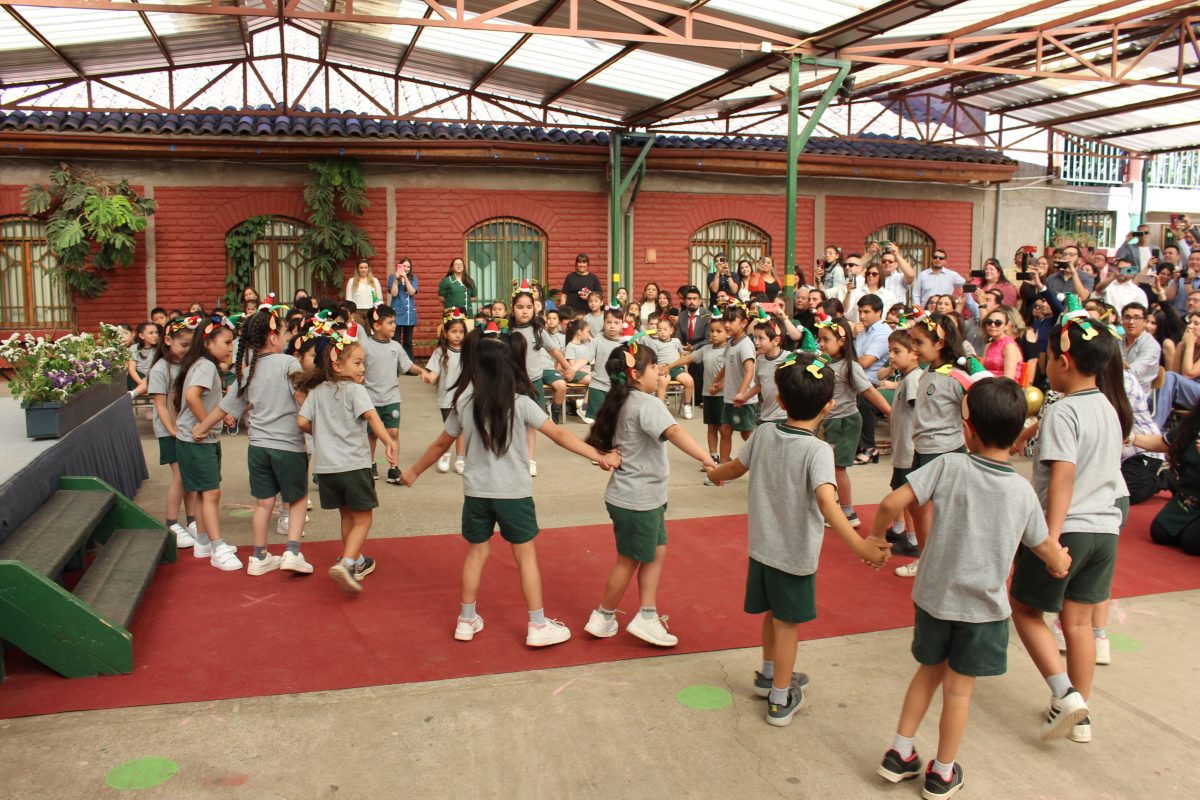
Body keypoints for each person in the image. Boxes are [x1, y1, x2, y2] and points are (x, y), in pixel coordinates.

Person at [872, 378, 1070, 796]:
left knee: (927, 674)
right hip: (981, 610)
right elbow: (1045, 548)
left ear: (967, 427)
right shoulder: (1020, 490)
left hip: (933, 599)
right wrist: (1060, 562)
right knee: (959, 692)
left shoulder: (947, 465)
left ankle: (899, 752)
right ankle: (942, 772)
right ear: (1019, 434)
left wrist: (875, 540)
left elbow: (892, 503)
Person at [706, 350, 890, 726]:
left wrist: (714, 473)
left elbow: (736, 467)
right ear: (828, 406)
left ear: (781, 399)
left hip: (762, 548)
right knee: (788, 624)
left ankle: (770, 673)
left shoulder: (765, 432)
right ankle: (779, 697)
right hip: (793, 554)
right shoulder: (818, 450)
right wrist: (860, 546)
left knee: (773, 614)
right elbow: (827, 502)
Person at [401, 332, 619, 646]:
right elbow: (559, 435)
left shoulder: (464, 401)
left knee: (476, 555)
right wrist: (599, 455)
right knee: (526, 558)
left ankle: (465, 619)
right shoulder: (521, 404)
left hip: (477, 494)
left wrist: (414, 471)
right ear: (509, 367)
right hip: (514, 495)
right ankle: (537, 625)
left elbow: (440, 443)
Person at [1009, 297, 1131, 745]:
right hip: (1104, 530)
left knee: (1024, 608)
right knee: (1078, 623)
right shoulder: (1109, 407)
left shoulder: (1063, 410)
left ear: (1062, 361)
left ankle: (1064, 695)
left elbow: (1063, 475)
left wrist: (1051, 540)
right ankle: (1082, 718)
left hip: (1069, 529)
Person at [582, 339, 716, 647]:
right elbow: (675, 432)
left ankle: (646, 613)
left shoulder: (622, 401)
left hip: (639, 497)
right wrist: (707, 459)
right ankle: (603, 616)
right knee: (628, 560)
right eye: (654, 366)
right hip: (637, 499)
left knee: (656, 551)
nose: (660, 370)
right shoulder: (647, 405)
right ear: (636, 375)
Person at [192, 308, 312, 576]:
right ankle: (292, 552)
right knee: (297, 499)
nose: (285, 338)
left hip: (258, 447)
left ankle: (259, 557)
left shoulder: (247, 371)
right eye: (283, 333)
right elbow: (302, 400)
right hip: (288, 446)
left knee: (263, 503)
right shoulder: (288, 364)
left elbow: (224, 407)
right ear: (273, 336)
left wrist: (201, 427)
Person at [295, 331, 394, 594]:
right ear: (338, 365)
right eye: (358, 363)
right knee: (364, 519)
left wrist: (321, 432)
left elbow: (302, 422)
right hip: (353, 465)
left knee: (347, 515)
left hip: (327, 469)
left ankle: (357, 560)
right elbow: (372, 417)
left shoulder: (317, 391)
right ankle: (348, 562)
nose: (363, 367)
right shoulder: (355, 390)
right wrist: (389, 442)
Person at [899, 310, 970, 579]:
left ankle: (945, 563)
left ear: (940, 343)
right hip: (923, 449)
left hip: (945, 452)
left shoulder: (955, 377)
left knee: (945, 512)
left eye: (919, 343)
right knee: (916, 505)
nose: (914, 349)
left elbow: (975, 406)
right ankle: (927, 556)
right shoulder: (926, 373)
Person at [172, 316, 241, 571]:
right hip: (196, 440)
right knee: (211, 492)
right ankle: (217, 546)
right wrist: (205, 424)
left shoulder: (206, 365)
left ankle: (203, 541)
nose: (231, 348)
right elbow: (191, 396)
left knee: (205, 491)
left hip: (200, 439)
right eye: (227, 342)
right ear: (209, 343)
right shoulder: (205, 366)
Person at [814, 315, 891, 527]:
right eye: (819, 339)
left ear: (842, 341)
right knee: (825, 468)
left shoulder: (850, 367)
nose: (821, 344)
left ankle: (848, 513)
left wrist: (890, 412)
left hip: (845, 421)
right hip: (827, 421)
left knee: (838, 468)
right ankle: (830, 506)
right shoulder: (822, 362)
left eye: (826, 339)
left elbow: (868, 391)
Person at [358, 305, 431, 484]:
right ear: (376, 325)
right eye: (390, 323)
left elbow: (407, 365)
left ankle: (393, 468)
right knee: (372, 434)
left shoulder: (396, 346)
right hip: (370, 399)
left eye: (394, 322)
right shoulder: (365, 345)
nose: (394, 326)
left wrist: (421, 371)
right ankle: (371, 463)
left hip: (391, 397)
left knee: (393, 432)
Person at [510, 281, 573, 474]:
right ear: (512, 308)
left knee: (531, 423)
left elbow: (553, 350)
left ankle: (530, 460)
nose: (525, 311)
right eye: (520, 307)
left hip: (533, 382)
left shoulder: (538, 331)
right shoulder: (507, 332)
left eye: (529, 307)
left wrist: (567, 366)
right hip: (512, 384)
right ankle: (511, 458)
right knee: (511, 422)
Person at [148, 318, 198, 549]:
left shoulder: (187, 366)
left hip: (185, 429)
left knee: (189, 476)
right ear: (167, 341)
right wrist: (172, 430)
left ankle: (192, 520)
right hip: (170, 431)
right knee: (180, 475)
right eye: (184, 345)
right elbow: (160, 404)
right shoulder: (160, 369)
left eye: (191, 345)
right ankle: (171, 522)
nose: (188, 350)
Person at [1134, 396, 1200, 556]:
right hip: (1189, 498)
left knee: (1192, 542)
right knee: (1160, 532)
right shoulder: (1197, 419)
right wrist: (1131, 438)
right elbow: (1165, 442)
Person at [878, 327, 921, 557]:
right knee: (898, 486)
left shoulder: (914, 380)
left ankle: (913, 540)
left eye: (897, 351)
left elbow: (918, 412)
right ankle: (899, 528)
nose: (891, 356)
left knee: (907, 496)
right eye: (890, 351)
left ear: (914, 353)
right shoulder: (906, 378)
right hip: (902, 446)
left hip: (909, 448)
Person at [667, 317, 728, 463]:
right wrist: (668, 366)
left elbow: (733, 373)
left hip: (723, 396)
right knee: (711, 427)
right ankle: (713, 456)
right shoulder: (705, 349)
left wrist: (720, 386)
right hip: (708, 394)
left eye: (719, 331)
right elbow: (687, 359)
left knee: (724, 430)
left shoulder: (729, 350)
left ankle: (725, 458)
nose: (714, 334)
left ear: (728, 332)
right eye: (712, 331)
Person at [421, 308, 468, 474]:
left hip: (465, 397)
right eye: (454, 331)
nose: (457, 335)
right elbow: (433, 373)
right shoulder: (440, 351)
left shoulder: (468, 351)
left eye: (461, 332)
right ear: (445, 333)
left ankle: (460, 459)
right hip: (446, 398)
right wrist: (429, 377)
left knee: (462, 428)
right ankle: (446, 453)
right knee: (450, 429)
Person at [711, 305, 757, 463]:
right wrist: (717, 383)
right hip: (729, 398)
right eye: (725, 321)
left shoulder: (745, 345)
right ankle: (724, 465)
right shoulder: (731, 344)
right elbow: (727, 367)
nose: (727, 325)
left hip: (743, 400)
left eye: (732, 321)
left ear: (744, 323)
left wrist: (741, 394)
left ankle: (762, 460)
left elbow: (750, 371)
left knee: (746, 434)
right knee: (725, 430)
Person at [853, 295, 891, 464]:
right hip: (856, 378)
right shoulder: (860, 331)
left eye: (866, 312)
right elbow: (854, 358)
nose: (862, 316)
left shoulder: (883, 333)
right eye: (860, 311)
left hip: (873, 383)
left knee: (862, 395)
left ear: (879, 312)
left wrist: (849, 358)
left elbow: (866, 362)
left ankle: (869, 447)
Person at [1154, 312, 1200, 427]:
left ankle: (1154, 426)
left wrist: (1190, 345)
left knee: (1169, 377)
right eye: (1189, 322)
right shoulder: (1182, 345)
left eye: (1196, 323)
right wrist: (1182, 346)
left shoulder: (1189, 345)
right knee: (1151, 397)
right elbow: (1175, 375)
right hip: (1187, 391)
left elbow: (1188, 373)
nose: (1190, 326)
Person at [583, 305, 626, 423]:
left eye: (616, 322)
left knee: (617, 421)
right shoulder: (597, 340)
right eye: (608, 322)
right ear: (604, 323)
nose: (612, 326)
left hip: (618, 387)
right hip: (597, 385)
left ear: (622, 323)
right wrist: (572, 368)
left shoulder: (627, 342)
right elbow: (586, 358)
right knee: (595, 421)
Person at [648, 317, 693, 418]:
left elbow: (682, 356)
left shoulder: (676, 341)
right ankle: (660, 405)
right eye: (659, 330)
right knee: (663, 382)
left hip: (677, 368)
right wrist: (658, 367)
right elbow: (653, 359)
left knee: (689, 381)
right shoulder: (655, 343)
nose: (662, 332)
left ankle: (686, 404)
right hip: (663, 369)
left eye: (665, 330)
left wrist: (685, 368)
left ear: (671, 331)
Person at [1119, 302, 1161, 394]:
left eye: (1136, 318)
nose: (1131, 322)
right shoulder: (1116, 340)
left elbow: (1134, 371)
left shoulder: (1151, 345)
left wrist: (1115, 365)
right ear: (1122, 320)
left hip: (1139, 393)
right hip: (1116, 387)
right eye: (1127, 317)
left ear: (1145, 322)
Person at [677, 286, 710, 391]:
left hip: (702, 347)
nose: (691, 301)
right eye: (689, 299)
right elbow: (678, 337)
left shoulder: (708, 315)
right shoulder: (681, 316)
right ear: (685, 301)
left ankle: (697, 397)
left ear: (700, 301)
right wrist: (680, 346)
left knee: (697, 360)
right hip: (685, 349)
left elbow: (709, 339)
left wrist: (694, 347)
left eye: (694, 299)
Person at [562, 318, 594, 416]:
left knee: (598, 380)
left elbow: (596, 344)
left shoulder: (586, 344)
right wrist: (587, 372)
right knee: (594, 381)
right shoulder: (571, 346)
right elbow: (572, 365)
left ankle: (583, 403)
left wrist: (590, 338)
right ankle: (584, 406)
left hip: (587, 373)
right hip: (576, 373)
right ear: (579, 332)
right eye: (587, 331)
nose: (589, 334)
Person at [388, 257, 419, 359]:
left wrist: (405, 278)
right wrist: (397, 280)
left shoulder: (413, 278)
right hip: (397, 314)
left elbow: (411, 292)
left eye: (408, 266)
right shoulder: (392, 277)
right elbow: (394, 293)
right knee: (395, 340)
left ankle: (409, 365)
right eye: (404, 266)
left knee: (408, 342)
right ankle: (395, 365)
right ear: (399, 266)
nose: (406, 268)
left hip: (409, 314)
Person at [981, 306, 1021, 379]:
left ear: (1006, 326)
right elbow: (983, 370)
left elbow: (1009, 377)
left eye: (998, 323)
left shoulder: (1009, 346)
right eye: (989, 322)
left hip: (1004, 387)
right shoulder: (988, 345)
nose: (993, 325)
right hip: (987, 384)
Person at [126, 322, 158, 397]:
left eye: (156, 332)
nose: (155, 335)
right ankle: (133, 393)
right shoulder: (134, 348)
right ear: (141, 335)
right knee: (150, 379)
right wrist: (143, 384)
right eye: (151, 333)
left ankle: (131, 395)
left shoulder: (159, 348)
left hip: (152, 379)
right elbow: (131, 370)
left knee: (153, 376)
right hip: (136, 379)